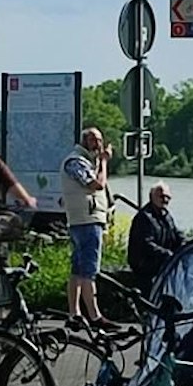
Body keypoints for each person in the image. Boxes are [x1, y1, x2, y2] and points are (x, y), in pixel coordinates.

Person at [60, 128, 114, 327]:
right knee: (89, 271)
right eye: (94, 139)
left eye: (100, 140)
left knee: (77, 269)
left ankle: (74, 314)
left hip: (83, 221)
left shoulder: (88, 162)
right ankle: (95, 316)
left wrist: (100, 161)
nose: (98, 144)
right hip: (86, 222)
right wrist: (105, 162)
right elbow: (96, 185)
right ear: (84, 141)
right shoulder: (75, 161)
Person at [127, 182, 184, 285]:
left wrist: (186, 246)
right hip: (145, 266)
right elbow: (146, 244)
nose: (165, 200)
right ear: (152, 197)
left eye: (168, 197)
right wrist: (168, 254)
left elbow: (176, 235)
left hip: (162, 264)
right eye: (162, 196)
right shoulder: (144, 217)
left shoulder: (166, 216)